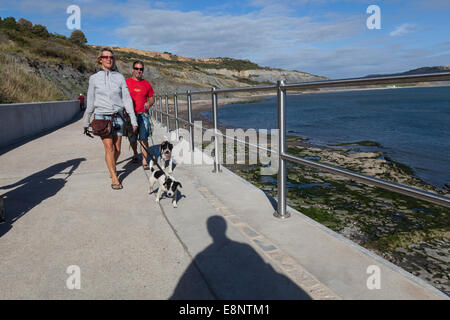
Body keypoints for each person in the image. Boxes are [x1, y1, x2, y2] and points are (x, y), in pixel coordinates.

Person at [83, 48, 138, 190]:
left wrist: (133, 119)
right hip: (102, 116)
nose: (109, 59)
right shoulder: (93, 79)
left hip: (118, 116)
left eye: (111, 57)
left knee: (118, 148)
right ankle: (114, 178)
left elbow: (126, 99)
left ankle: (111, 166)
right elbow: (90, 100)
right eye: (105, 57)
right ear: (100, 59)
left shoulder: (119, 77)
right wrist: (86, 120)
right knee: (110, 148)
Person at [125, 60, 155, 169]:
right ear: (133, 69)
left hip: (143, 115)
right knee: (132, 138)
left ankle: (144, 160)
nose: (139, 71)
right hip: (130, 115)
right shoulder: (126, 82)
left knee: (144, 137)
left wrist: (149, 104)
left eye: (141, 69)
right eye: (137, 68)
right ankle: (134, 153)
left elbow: (152, 99)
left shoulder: (146, 84)